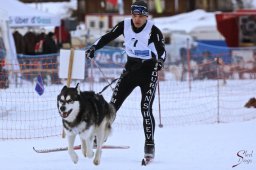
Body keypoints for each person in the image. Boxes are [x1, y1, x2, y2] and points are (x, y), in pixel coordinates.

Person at [85, 0, 166, 159]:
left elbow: (162, 52)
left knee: (145, 108)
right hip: (130, 70)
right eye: (135, 15)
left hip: (148, 72)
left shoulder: (153, 31)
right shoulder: (124, 25)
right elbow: (107, 36)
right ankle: (102, 135)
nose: (137, 19)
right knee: (112, 106)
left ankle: (149, 144)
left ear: (146, 16)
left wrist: (160, 62)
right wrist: (94, 47)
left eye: (141, 16)